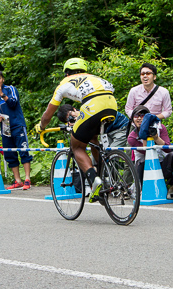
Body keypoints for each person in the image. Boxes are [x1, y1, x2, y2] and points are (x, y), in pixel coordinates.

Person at [39, 58, 117, 203]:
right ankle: (104, 173)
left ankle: (95, 180)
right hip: (112, 104)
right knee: (92, 138)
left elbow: (48, 115)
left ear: (66, 73)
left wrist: (41, 126)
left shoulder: (64, 83)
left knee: (77, 146)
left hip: (93, 105)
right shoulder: (94, 77)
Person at [127, 105, 173, 201]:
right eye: (136, 116)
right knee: (141, 164)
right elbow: (147, 152)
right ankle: (143, 190)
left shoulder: (160, 128)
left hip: (162, 162)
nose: (140, 118)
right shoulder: (132, 137)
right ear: (132, 119)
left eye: (143, 116)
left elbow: (167, 148)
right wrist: (144, 135)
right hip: (145, 166)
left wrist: (156, 137)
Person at [0, 70, 33, 189]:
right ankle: (17, 180)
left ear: (3, 79)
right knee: (9, 154)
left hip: (17, 124)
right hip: (5, 128)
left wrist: (2, 94)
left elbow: (13, 103)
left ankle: (27, 179)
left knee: (23, 150)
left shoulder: (10, 89)